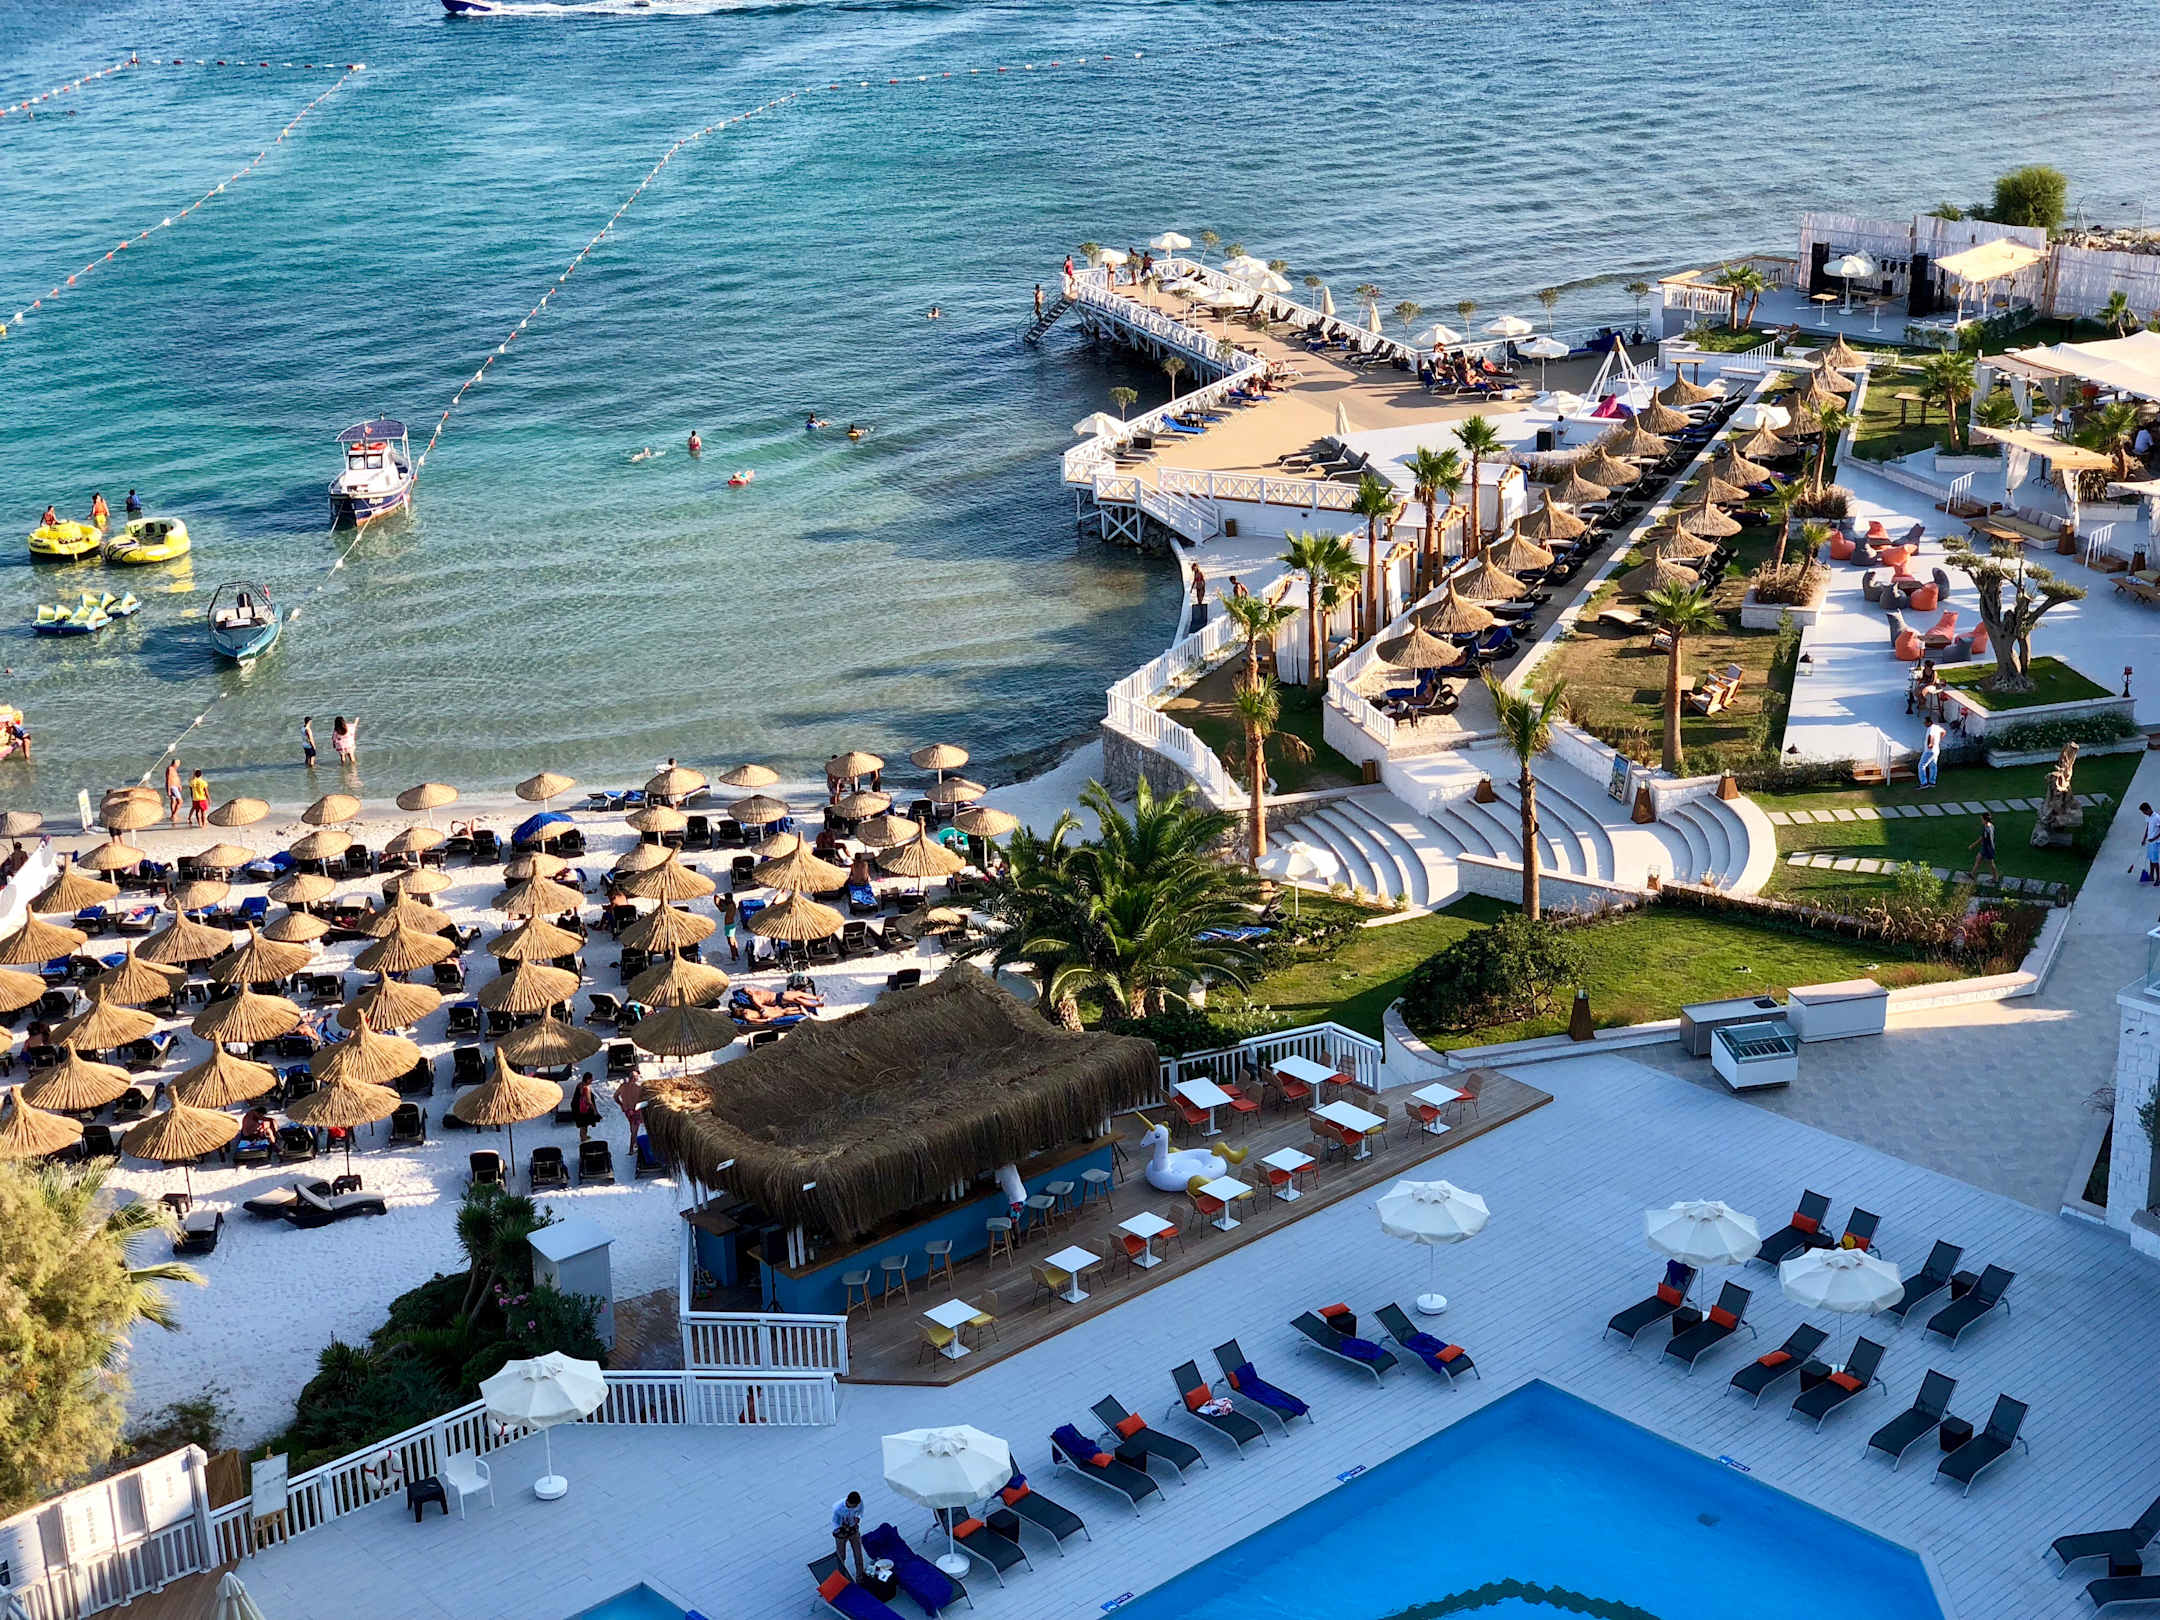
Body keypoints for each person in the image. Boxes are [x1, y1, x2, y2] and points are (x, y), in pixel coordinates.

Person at [831, 1492, 867, 1583]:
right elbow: (835, 1522)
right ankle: (841, 1577)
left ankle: (860, 1578)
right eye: (853, 1506)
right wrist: (843, 1529)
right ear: (848, 1501)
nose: (855, 1508)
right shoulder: (837, 1508)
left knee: (858, 1554)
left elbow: (860, 1512)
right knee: (841, 1556)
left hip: (853, 1530)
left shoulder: (859, 1503)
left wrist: (858, 1517)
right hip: (841, 1532)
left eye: (856, 1506)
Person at [569, 1073, 602, 1145]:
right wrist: (595, 1111)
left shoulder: (580, 1084)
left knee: (582, 1123)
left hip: (576, 1107)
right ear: (587, 1079)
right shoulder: (586, 1088)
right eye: (591, 1079)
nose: (592, 1080)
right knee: (585, 1123)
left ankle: (583, 1136)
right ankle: (584, 1138)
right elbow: (589, 1101)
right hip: (583, 1109)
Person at [1967, 811, 2000, 883]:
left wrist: (1972, 845)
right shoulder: (1991, 825)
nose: (1981, 820)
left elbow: (1981, 838)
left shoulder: (1987, 828)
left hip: (1988, 848)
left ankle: (1995, 878)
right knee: (1978, 858)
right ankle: (1972, 874)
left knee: (1991, 864)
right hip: (1985, 847)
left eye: (1982, 819)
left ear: (1985, 819)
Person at [1917, 717, 1943, 788]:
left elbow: (1931, 736)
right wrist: (1938, 740)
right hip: (1936, 750)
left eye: (1925, 722)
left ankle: (1924, 783)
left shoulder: (1930, 728)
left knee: (1921, 765)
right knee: (1933, 766)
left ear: (1929, 722)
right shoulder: (1937, 727)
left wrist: (1930, 744)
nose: (1924, 724)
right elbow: (1943, 732)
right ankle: (1932, 782)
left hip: (1929, 751)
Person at [2142, 802, 2160, 885]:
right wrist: (2144, 838)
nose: (2144, 814)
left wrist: (2154, 838)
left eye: (2145, 812)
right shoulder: (2148, 817)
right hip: (2150, 841)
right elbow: (2148, 827)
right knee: (2151, 859)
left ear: (2149, 809)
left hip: (2155, 842)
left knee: (2155, 860)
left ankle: (2158, 879)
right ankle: (2151, 876)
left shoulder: (2157, 817)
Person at [720, 893, 740, 963]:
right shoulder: (732, 903)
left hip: (729, 925)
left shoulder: (730, 906)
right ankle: (736, 954)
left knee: (730, 941)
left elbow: (722, 909)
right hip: (731, 924)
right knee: (733, 939)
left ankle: (733, 956)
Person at [1189, 561, 1207, 632]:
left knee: (1200, 599)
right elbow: (1194, 581)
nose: (1193, 570)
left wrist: (1204, 588)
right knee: (1198, 600)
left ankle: (1202, 614)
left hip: (1201, 587)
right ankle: (1200, 613)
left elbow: (1203, 581)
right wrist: (1191, 588)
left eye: (1194, 568)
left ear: (1196, 567)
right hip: (1198, 588)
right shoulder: (1195, 573)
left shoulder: (1200, 573)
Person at [165, 758, 184, 824]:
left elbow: (176, 777)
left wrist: (179, 785)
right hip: (172, 786)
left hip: (175, 786)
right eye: (178, 763)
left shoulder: (174, 769)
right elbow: (169, 779)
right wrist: (168, 789)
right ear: (175, 763)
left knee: (173, 801)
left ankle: (173, 815)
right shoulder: (170, 769)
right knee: (180, 801)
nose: (179, 764)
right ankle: (174, 815)